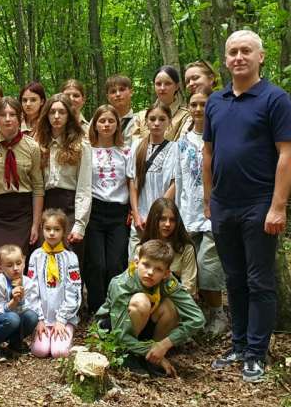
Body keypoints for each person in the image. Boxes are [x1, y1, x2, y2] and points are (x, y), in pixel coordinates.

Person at [203, 30, 291, 382]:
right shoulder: (215, 101)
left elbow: (287, 154)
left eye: (246, 51)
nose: (239, 57)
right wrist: (208, 199)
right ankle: (239, 344)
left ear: (261, 57)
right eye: (233, 52)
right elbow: (208, 153)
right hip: (223, 204)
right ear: (225, 60)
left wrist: (278, 206)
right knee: (234, 278)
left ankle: (257, 352)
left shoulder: (275, 99)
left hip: (260, 203)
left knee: (260, 280)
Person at [95, 239, 205, 377]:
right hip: (114, 329)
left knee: (170, 306)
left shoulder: (167, 281)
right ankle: (127, 355)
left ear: (166, 273)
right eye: (146, 265)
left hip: (144, 327)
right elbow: (120, 334)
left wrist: (164, 345)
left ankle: (152, 358)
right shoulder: (121, 284)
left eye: (158, 269)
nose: (150, 272)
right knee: (141, 302)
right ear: (136, 262)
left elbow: (197, 318)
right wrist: (150, 350)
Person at [175, 63, 228, 335]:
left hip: (215, 212)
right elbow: (179, 179)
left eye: (203, 105)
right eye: (193, 105)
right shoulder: (183, 141)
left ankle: (218, 313)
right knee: (192, 265)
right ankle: (201, 313)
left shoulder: (222, 135)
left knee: (209, 265)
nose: (198, 109)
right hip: (189, 212)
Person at [0, 97, 44, 277]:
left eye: (12, 114)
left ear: (20, 117)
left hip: (22, 212)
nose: (8, 119)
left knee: (17, 266)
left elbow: (38, 186)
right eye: (3, 115)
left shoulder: (32, 147)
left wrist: (35, 223)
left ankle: (19, 296)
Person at [83, 105, 132, 314]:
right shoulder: (87, 151)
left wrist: (133, 209)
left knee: (115, 263)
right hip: (94, 211)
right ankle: (96, 309)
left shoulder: (126, 151)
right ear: (95, 124)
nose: (106, 125)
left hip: (118, 212)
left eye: (111, 121)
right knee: (97, 264)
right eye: (102, 121)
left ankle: (115, 308)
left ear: (117, 125)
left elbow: (131, 182)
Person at [35, 95, 91, 258]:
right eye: (52, 112)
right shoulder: (38, 144)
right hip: (46, 207)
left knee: (70, 259)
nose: (57, 116)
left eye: (62, 112)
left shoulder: (81, 146)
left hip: (71, 208)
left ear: (69, 115)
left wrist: (80, 224)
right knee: (45, 260)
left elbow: (84, 188)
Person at [27, 209, 82, 358]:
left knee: (59, 352)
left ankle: (65, 332)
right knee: (40, 351)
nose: (52, 233)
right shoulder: (36, 256)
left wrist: (61, 320)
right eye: (48, 229)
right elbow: (31, 290)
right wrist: (39, 319)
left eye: (57, 229)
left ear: (64, 231)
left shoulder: (70, 257)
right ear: (42, 229)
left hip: (64, 318)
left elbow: (74, 291)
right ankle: (44, 334)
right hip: (42, 317)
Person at [127, 102, 179, 253]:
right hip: (140, 219)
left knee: (159, 259)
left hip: (162, 219)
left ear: (169, 122)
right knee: (135, 259)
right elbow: (133, 182)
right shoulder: (137, 145)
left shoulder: (175, 148)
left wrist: (156, 216)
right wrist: (136, 215)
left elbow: (174, 183)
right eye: (152, 119)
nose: (157, 123)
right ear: (146, 122)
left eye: (162, 119)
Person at [0, 244, 42, 363]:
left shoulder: (28, 283)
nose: (15, 268)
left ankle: (15, 343)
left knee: (32, 316)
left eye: (18, 263)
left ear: (24, 263)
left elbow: (33, 306)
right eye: (9, 265)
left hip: (14, 321)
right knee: (13, 318)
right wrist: (13, 302)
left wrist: (21, 300)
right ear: (0, 268)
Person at [140, 198, 197, 296]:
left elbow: (189, 287)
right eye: (162, 219)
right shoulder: (142, 248)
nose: (167, 224)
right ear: (154, 220)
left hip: (177, 298)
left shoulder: (186, 248)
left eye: (172, 220)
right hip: (145, 297)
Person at [134, 66, 190, 142]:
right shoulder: (141, 116)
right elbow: (135, 145)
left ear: (177, 86)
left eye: (168, 84)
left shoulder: (186, 117)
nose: (162, 88)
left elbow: (183, 145)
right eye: (158, 84)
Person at [104, 74, 140, 144]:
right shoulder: (98, 121)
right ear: (108, 97)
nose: (118, 94)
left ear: (131, 92)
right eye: (113, 91)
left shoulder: (140, 121)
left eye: (122, 89)